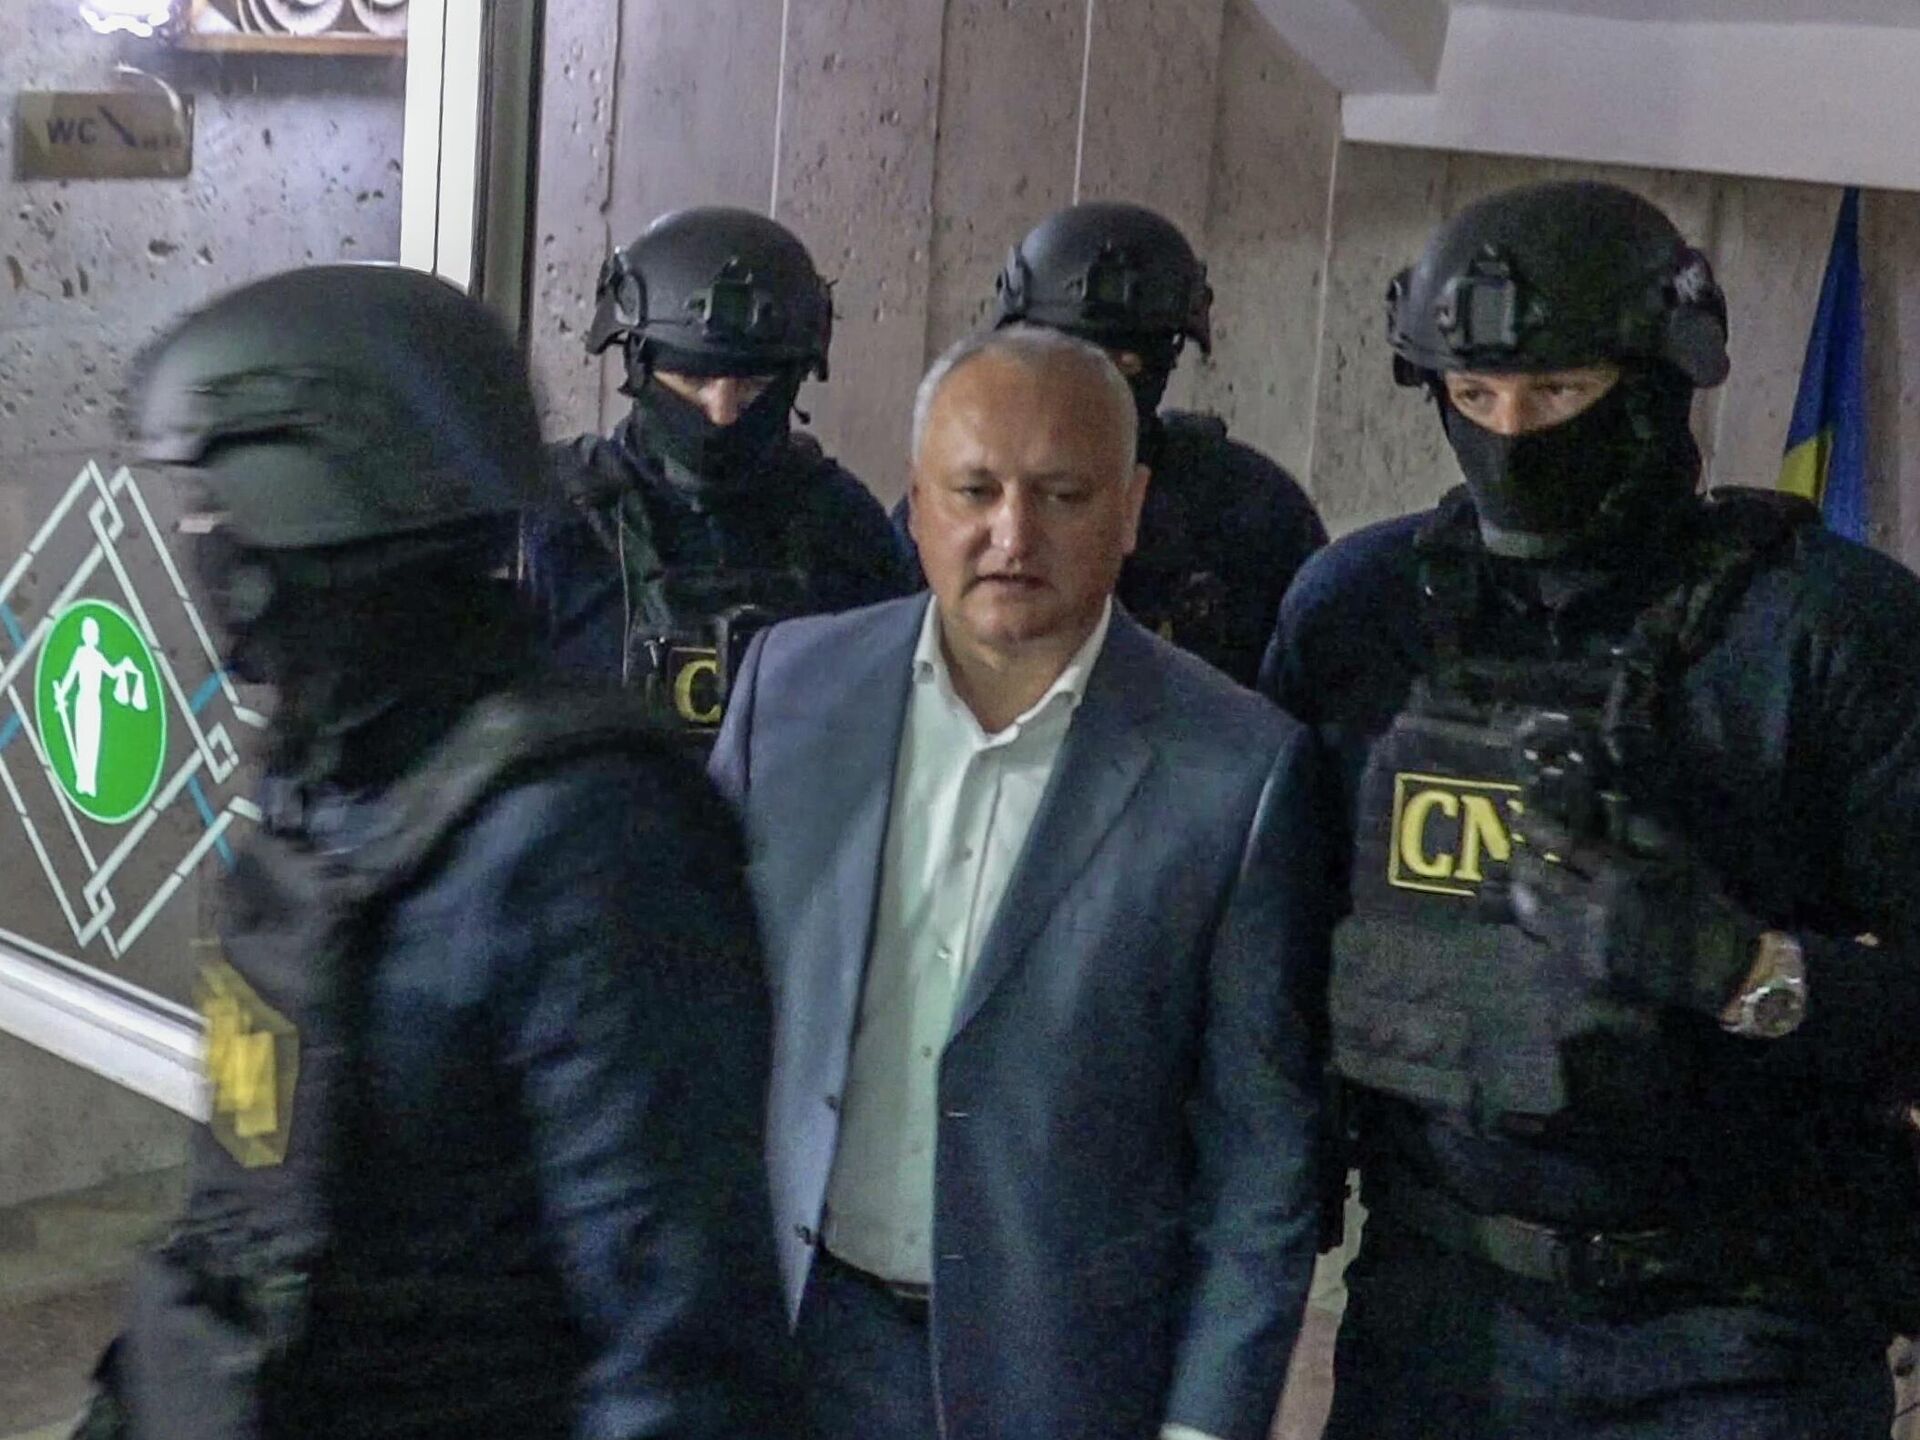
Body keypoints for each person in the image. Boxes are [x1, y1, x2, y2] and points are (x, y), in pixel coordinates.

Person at [84, 264, 793, 1440]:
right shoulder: (337, 773)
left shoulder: (589, 835)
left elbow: (680, 1346)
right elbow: (250, 1208)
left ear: (313, 514)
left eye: (218, 512)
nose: (204, 551)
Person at [1262, 179, 1920, 1437]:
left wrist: (1744, 968)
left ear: (1661, 382)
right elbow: (1272, 953)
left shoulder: (1831, 633)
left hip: (1739, 1329)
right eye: (1474, 396)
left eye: (1559, 392)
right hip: (1438, 1306)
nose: (1512, 435)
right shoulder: (1356, 615)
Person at [711, 324, 1328, 1440]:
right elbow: (694, 1022)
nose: (1012, 534)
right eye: (975, 490)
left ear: (1131, 509)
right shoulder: (790, 691)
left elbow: (1260, 1165)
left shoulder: (1235, 771)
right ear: (915, 502)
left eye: (1062, 495)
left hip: (1062, 1380)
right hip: (794, 1347)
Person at [891, 200, 1326, 687]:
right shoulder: (946, 507)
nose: (1013, 536)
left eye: (1127, 366)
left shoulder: (1252, 510)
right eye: (980, 491)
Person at [523, 206, 912, 744]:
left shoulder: (843, 525)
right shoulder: (553, 518)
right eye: (692, 380)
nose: (723, 412)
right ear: (638, 365)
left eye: (753, 385)